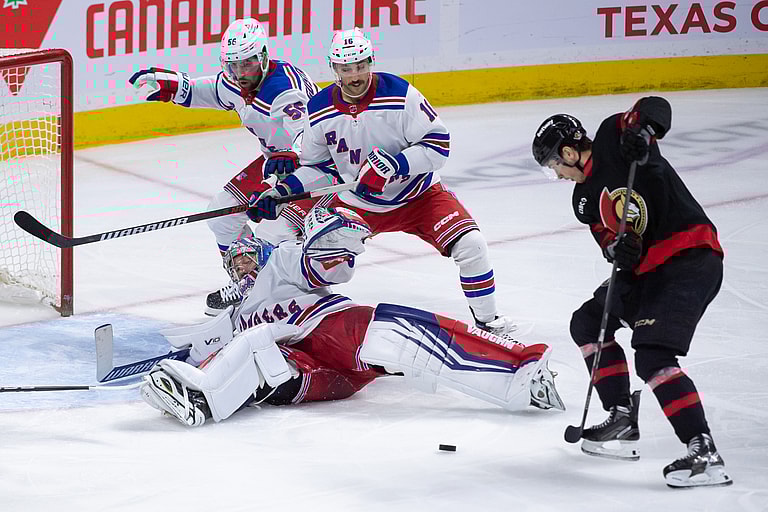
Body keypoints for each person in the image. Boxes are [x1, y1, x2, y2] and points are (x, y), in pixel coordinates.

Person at [139, 207, 565, 427]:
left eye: (249, 259)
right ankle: (200, 400)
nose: (244, 270)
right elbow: (196, 350)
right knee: (255, 343)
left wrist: (333, 232)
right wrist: (175, 362)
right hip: (305, 376)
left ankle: (519, 375)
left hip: (333, 331)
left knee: (403, 332)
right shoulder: (233, 319)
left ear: (264, 255)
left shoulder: (281, 264)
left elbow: (329, 265)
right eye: (236, 266)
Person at [251, 28, 515, 335]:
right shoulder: (319, 109)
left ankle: (489, 324)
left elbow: (439, 145)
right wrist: (283, 191)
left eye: (361, 65)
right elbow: (319, 167)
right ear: (334, 68)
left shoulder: (400, 94)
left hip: (419, 195)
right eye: (346, 68)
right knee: (320, 262)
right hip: (356, 204)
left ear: (371, 61)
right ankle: (294, 322)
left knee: (471, 244)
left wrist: (396, 165)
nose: (355, 75)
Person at [531, 97, 732, 489]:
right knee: (587, 324)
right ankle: (621, 418)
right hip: (646, 271)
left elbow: (655, 107)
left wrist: (645, 131)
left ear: (568, 152)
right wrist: (617, 249)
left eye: (555, 167)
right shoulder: (584, 200)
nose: (559, 175)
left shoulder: (613, 135)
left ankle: (703, 450)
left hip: (689, 257)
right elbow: (608, 240)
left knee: (653, 354)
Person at [129, 18, 326, 316]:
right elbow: (210, 91)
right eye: (233, 66)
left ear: (262, 57)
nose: (240, 73)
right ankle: (247, 283)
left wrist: (294, 155)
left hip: (317, 169)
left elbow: (311, 135)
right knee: (221, 216)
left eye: (247, 64)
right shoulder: (235, 80)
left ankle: (273, 294)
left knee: (273, 233)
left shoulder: (285, 90)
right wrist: (177, 88)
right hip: (276, 162)